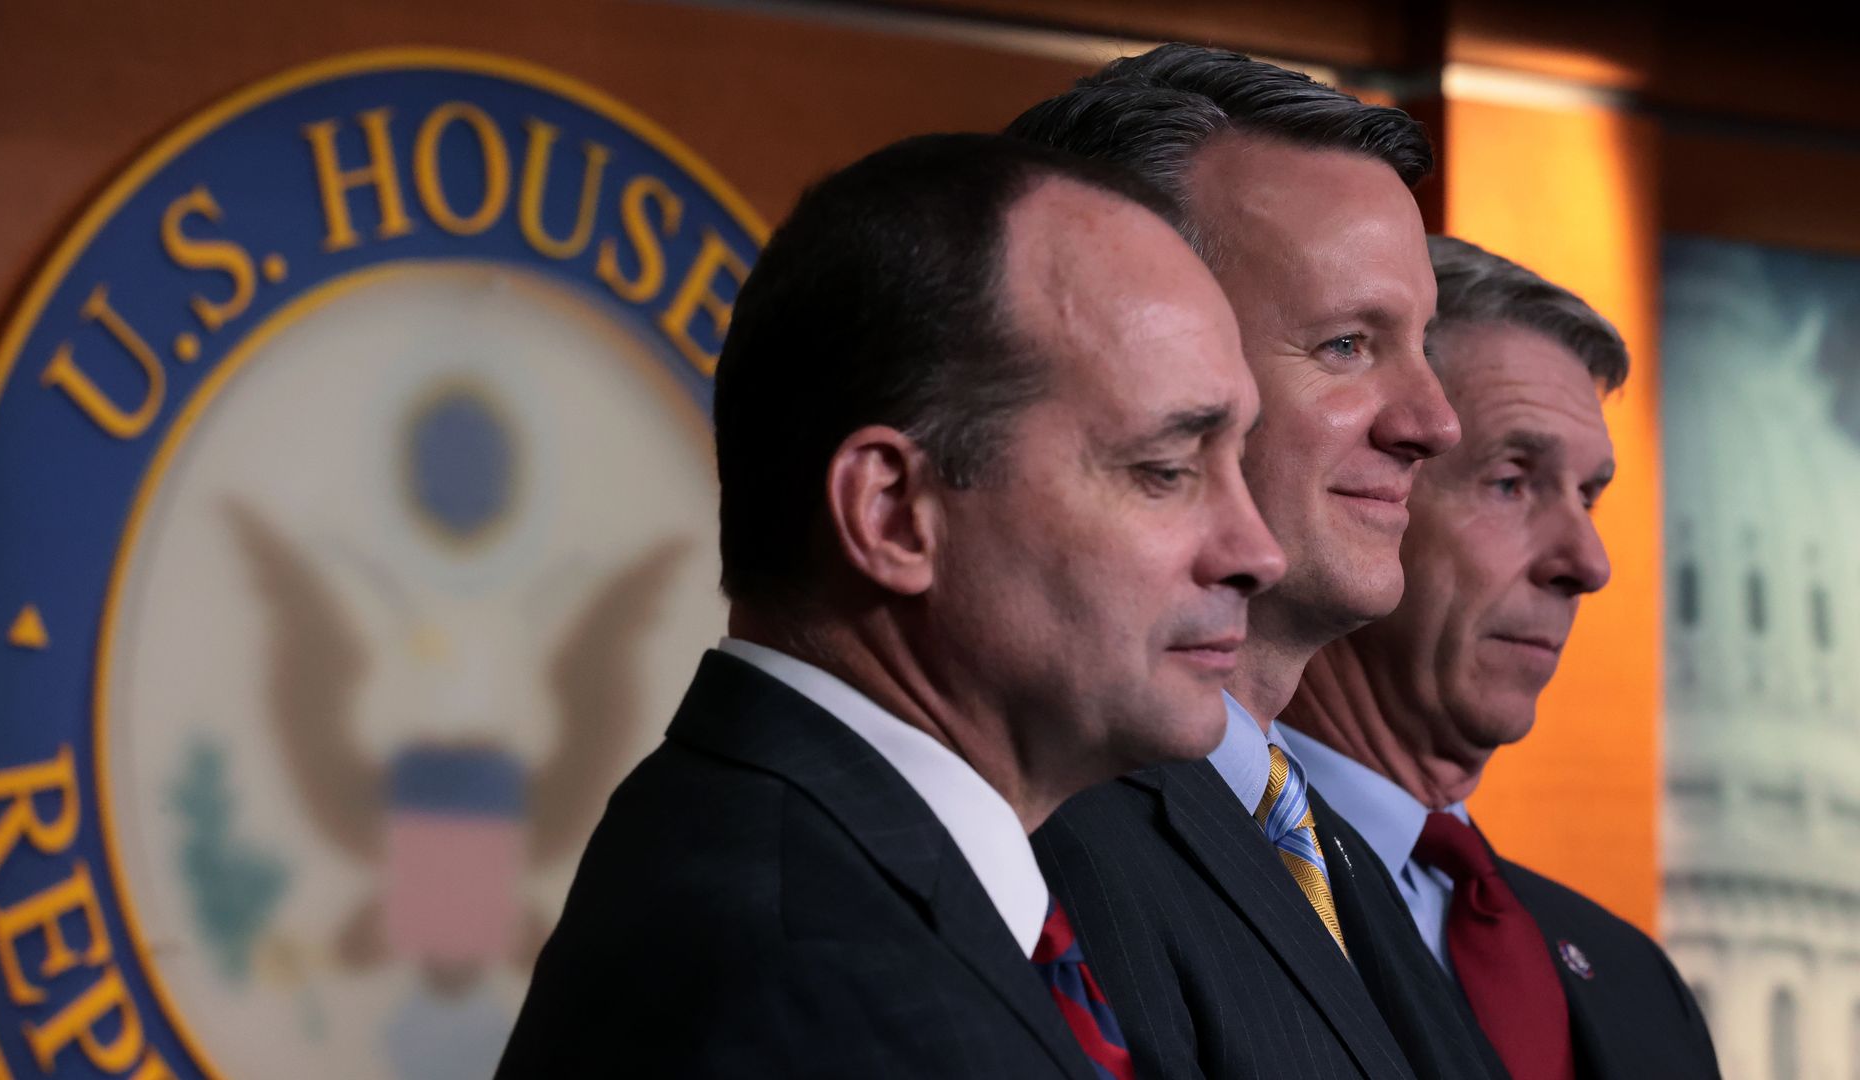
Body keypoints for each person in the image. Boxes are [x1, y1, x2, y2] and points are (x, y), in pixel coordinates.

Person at [497, 131, 1284, 1077]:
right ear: (893, 515)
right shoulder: (807, 980)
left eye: (1239, 461)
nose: (1257, 553)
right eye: (1166, 470)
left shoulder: (817, 864)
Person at [1012, 45, 1510, 1079]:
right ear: (1138, 361)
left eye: (1421, 342)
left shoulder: (1335, 854)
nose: (1434, 422)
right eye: (1346, 346)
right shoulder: (1038, 837)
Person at [1280, 236, 1721, 1080]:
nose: (1587, 564)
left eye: (1590, 495)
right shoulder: (1174, 878)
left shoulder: (1633, 980)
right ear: (1369, 490)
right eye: (1512, 481)